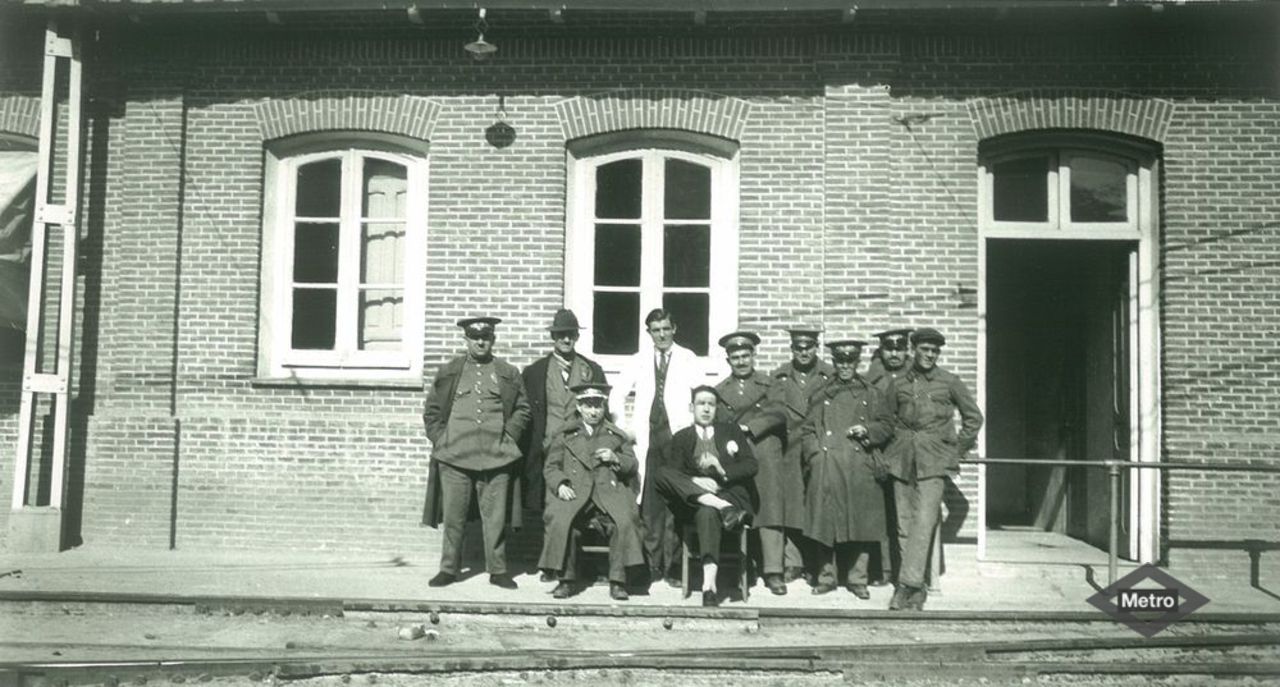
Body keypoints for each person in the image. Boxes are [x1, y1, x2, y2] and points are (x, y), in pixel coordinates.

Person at [421, 316, 531, 590]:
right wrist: (441, 441)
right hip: (455, 456)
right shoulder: (449, 372)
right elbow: (432, 412)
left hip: (496, 456)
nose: (480, 341)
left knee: (495, 520)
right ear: (466, 339)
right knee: (454, 517)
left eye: (486, 337)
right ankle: (448, 569)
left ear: (493, 339)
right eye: (474, 337)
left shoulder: (507, 372)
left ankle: (498, 570)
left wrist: (510, 437)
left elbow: (523, 408)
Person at [885, 327, 984, 611]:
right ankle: (916, 588)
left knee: (924, 521)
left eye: (934, 351)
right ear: (913, 350)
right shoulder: (899, 383)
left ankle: (908, 585)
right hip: (902, 460)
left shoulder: (949, 382)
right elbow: (887, 419)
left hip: (933, 462)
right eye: (924, 350)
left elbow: (974, 418)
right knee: (904, 525)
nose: (929, 355)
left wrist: (955, 453)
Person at [608, 309, 700, 586]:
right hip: (648, 440)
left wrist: (694, 431)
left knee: (674, 504)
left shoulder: (687, 358)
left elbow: (703, 393)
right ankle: (650, 565)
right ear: (648, 332)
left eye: (665, 329)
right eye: (655, 330)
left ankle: (673, 567)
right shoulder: (638, 360)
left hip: (676, 440)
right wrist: (624, 428)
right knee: (649, 505)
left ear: (674, 329)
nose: (661, 334)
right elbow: (617, 393)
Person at [799, 339, 895, 599]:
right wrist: (815, 455)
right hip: (827, 465)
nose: (844, 366)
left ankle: (857, 579)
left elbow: (887, 425)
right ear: (833, 362)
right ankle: (826, 577)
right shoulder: (821, 393)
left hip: (858, 465)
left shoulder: (872, 393)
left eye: (850, 361)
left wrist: (868, 431)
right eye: (840, 361)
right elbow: (807, 430)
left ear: (857, 362)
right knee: (823, 524)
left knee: (860, 524)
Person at [538, 383, 645, 601]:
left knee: (623, 522)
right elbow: (551, 467)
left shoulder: (617, 435)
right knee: (562, 521)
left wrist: (615, 459)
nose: (594, 411)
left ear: (604, 407)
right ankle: (566, 580)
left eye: (598, 405)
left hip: (608, 494)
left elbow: (632, 465)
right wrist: (560, 484)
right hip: (576, 493)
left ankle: (618, 581)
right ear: (579, 407)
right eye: (588, 406)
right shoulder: (565, 434)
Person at [655, 385, 758, 607]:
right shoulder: (682, 437)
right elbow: (673, 474)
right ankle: (709, 585)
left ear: (717, 408)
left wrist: (721, 469)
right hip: (697, 502)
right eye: (701, 404)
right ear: (692, 407)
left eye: (711, 404)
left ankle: (708, 585)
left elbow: (751, 465)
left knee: (707, 511)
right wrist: (695, 482)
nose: (706, 409)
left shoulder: (731, 432)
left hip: (730, 495)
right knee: (662, 473)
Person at [714, 331, 799, 596]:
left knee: (770, 511)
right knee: (738, 508)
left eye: (745, 356)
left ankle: (773, 571)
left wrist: (749, 428)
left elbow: (779, 413)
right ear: (728, 360)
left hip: (765, 452)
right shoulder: (721, 390)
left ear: (754, 356)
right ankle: (740, 569)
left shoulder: (771, 384)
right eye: (735, 357)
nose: (741, 362)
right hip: (736, 456)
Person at [520, 309, 607, 515]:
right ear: (553, 337)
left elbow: (603, 415)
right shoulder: (534, 373)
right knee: (547, 510)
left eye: (571, 334)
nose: (566, 339)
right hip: (546, 452)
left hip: (581, 452)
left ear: (577, 336)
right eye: (561, 334)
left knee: (580, 507)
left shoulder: (592, 370)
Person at [769, 326, 835, 584]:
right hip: (790, 449)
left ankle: (818, 563)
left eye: (808, 346)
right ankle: (793, 561)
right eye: (799, 347)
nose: (804, 351)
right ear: (792, 349)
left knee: (818, 507)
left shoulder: (830, 375)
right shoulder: (780, 376)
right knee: (791, 507)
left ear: (816, 347)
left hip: (820, 449)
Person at [862, 327, 914, 587]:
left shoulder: (916, 378)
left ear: (907, 350)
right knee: (879, 514)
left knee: (906, 518)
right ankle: (882, 570)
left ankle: (907, 572)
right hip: (879, 453)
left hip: (908, 456)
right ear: (881, 351)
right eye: (889, 348)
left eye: (900, 348)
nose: (894, 353)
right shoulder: (872, 380)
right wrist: (874, 451)